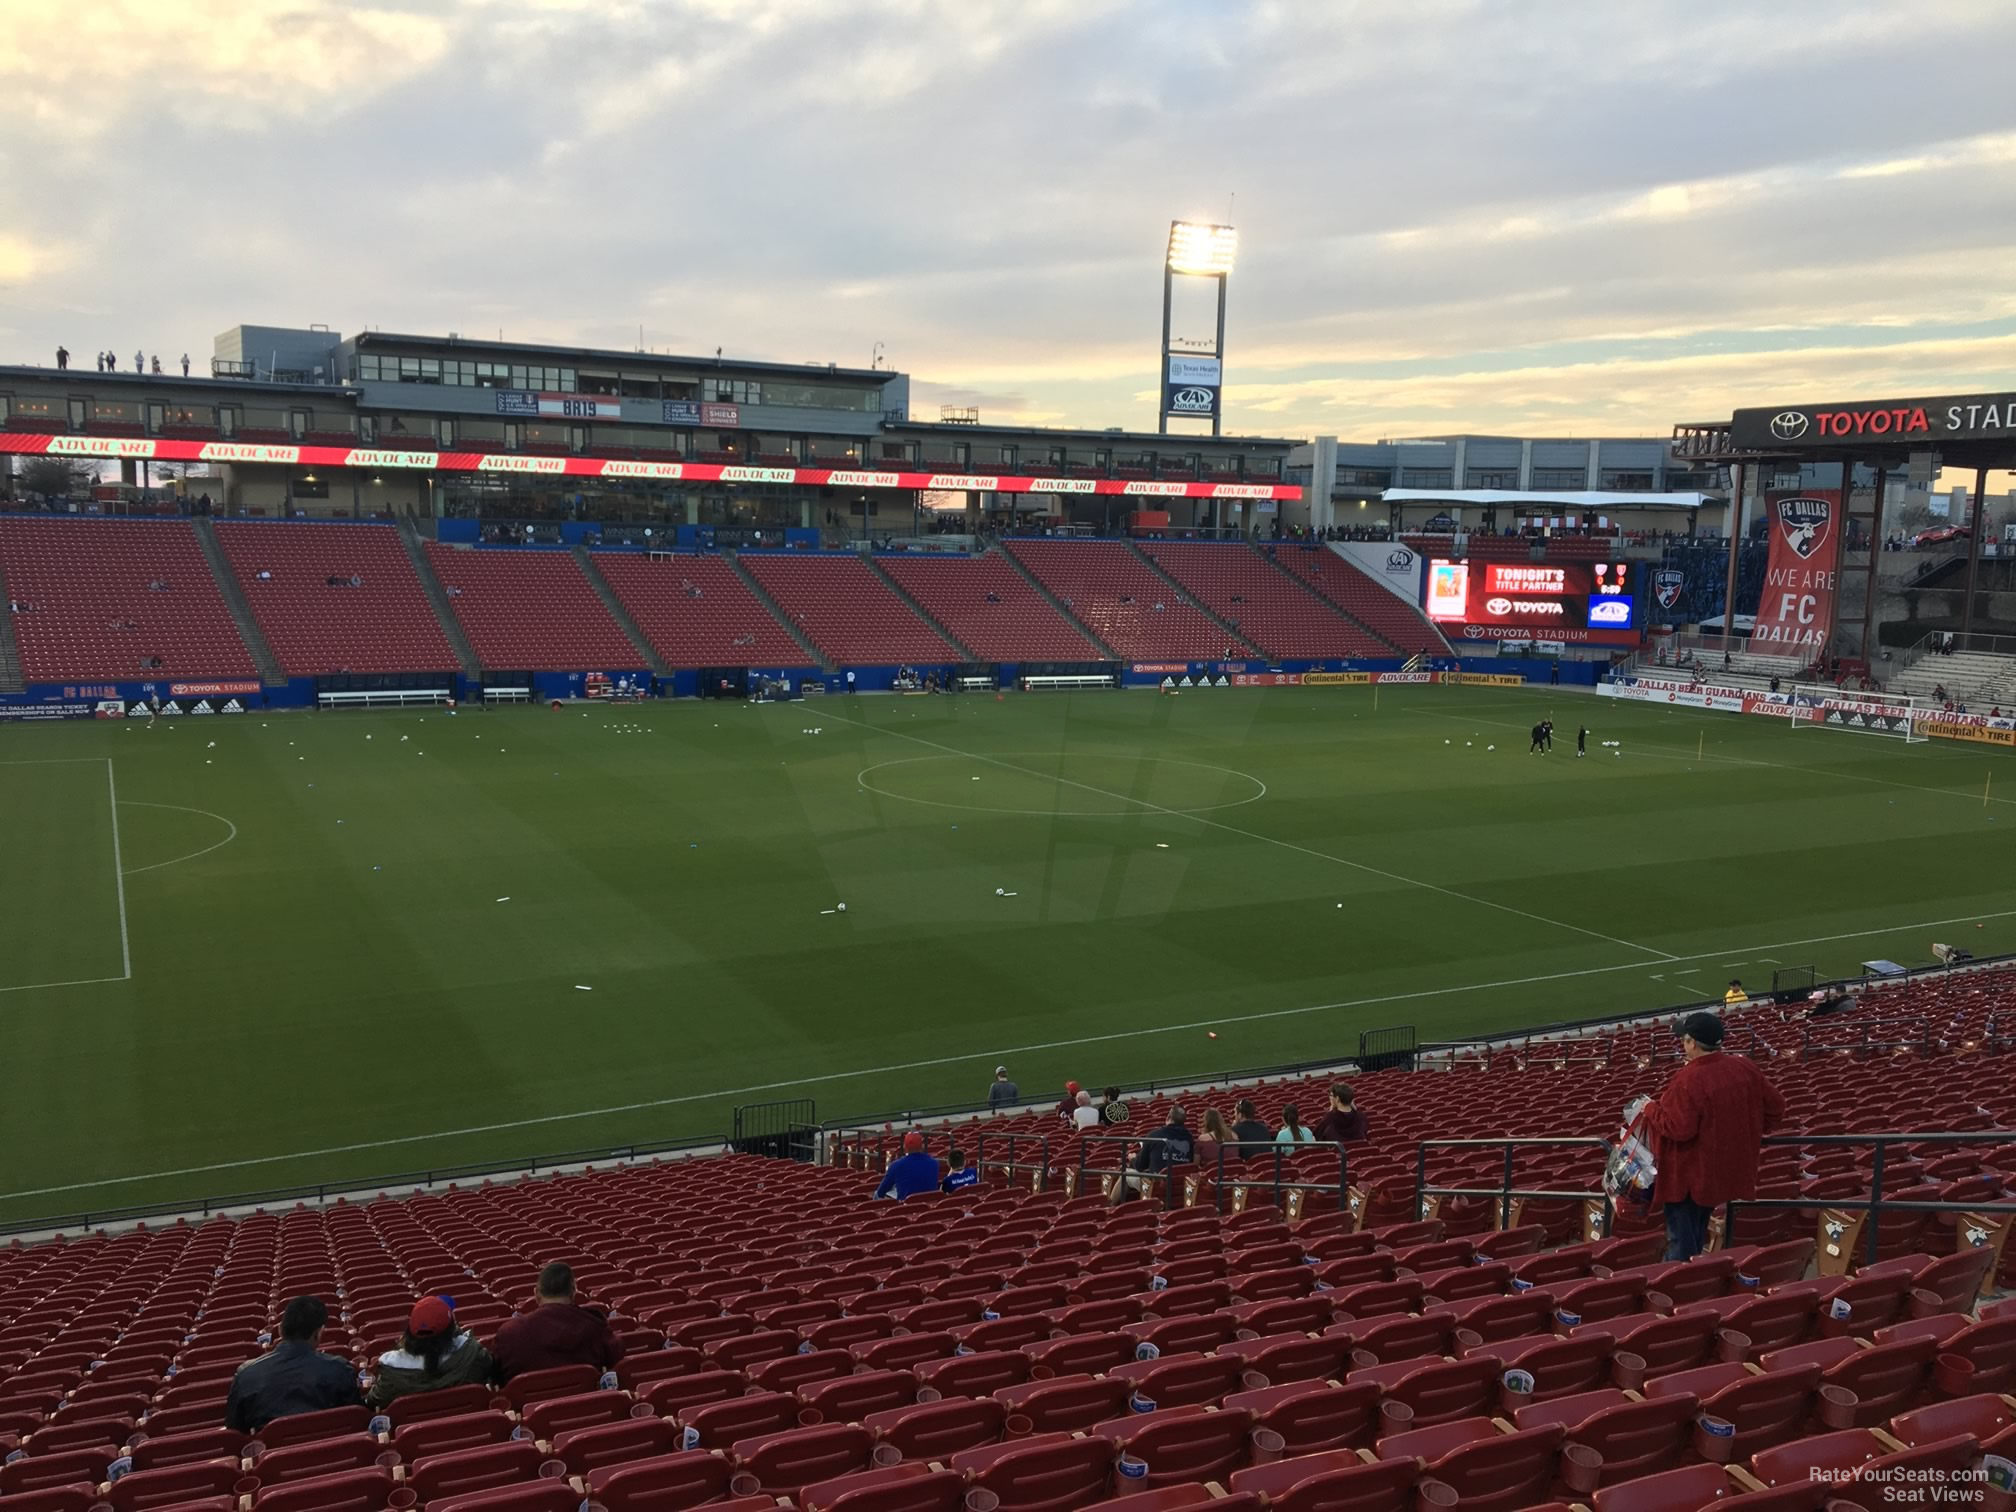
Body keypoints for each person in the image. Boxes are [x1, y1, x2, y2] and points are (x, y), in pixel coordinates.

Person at [1646, 1011, 1786, 1261]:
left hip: (1690, 1176)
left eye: (1684, 1040)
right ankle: (1697, 1278)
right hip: (1722, 1171)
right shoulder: (1744, 1066)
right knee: (1696, 1228)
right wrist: (1746, 1131)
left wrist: (1649, 1108)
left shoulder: (1689, 1078)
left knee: (1682, 1240)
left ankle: (1682, 1287)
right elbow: (1776, 1108)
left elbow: (1679, 1129)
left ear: (1691, 1043)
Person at [224, 1296, 362, 1433]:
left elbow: (235, 1432)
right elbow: (355, 1420)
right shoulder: (339, 1369)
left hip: (272, 1452)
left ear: (279, 1330)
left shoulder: (245, 1375)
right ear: (319, 1333)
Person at [490, 1263, 624, 1382]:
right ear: (573, 1293)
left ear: (536, 1294)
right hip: (588, 1407)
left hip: (528, 1407)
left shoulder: (508, 1334)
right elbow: (616, 1356)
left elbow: (497, 1377)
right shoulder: (595, 1326)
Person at [365, 1297, 495, 1410]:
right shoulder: (473, 1354)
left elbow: (373, 1401)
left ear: (410, 1333)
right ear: (451, 1330)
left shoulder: (390, 1369)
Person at [1114, 1106, 1194, 1203]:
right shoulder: (1190, 1138)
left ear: (1168, 1117)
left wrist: (1133, 1158)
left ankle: (1110, 1208)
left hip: (1157, 1186)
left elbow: (1140, 1166)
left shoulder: (1154, 1135)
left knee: (1125, 1174)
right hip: (1182, 1185)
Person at [874, 1131, 942, 1200]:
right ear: (922, 1146)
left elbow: (881, 1192)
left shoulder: (897, 1165)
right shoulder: (934, 1163)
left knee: (876, 1194)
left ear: (904, 1147)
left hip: (906, 1208)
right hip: (929, 1206)